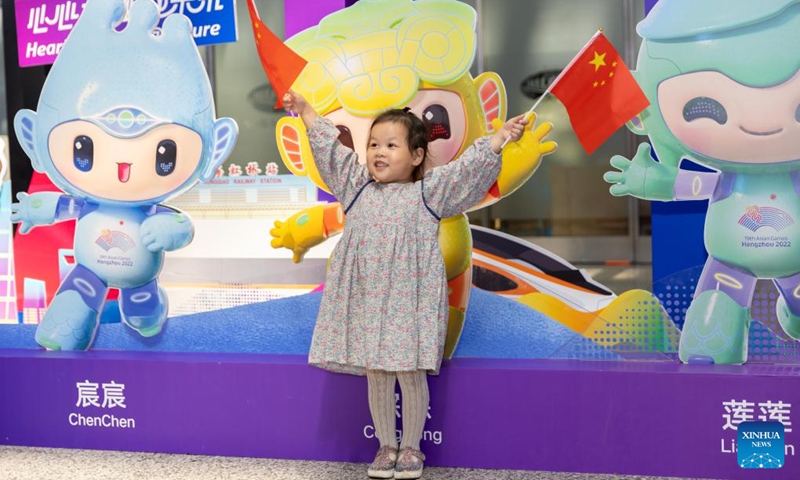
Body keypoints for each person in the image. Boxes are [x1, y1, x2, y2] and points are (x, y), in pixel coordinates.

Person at [282, 89, 551, 479]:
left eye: (391, 144)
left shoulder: (429, 193)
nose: (379, 151)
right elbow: (331, 151)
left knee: (409, 372)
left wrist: (497, 140)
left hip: (409, 303)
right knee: (377, 372)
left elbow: (467, 171)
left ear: (417, 156)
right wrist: (305, 110)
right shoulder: (356, 188)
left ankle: (410, 448)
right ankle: (385, 447)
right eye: (373, 143)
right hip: (368, 301)